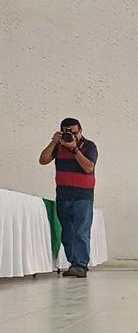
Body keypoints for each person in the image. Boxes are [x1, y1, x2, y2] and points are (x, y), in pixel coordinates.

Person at [39, 118, 98, 278]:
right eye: (67, 132)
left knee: (81, 231)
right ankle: (74, 264)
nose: (72, 135)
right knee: (67, 232)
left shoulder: (89, 146)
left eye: (75, 132)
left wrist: (74, 149)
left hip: (83, 196)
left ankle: (81, 265)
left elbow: (89, 167)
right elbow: (43, 160)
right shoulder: (58, 146)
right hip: (63, 195)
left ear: (81, 130)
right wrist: (54, 142)